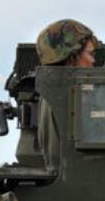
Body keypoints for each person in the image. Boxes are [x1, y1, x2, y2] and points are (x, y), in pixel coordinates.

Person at [35, 19, 98, 169]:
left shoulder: (51, 91)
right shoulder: (72, 97)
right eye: (90, 54)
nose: (94, 61)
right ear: (72, 58)